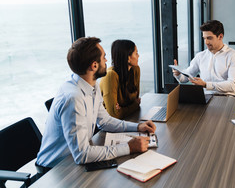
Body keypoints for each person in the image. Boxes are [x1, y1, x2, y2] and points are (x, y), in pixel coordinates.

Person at [36, 37, 156, 173]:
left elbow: (104, 121)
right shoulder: (73, 98)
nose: (106, 61)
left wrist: (138, 126)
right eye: (104, 57)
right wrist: (129, 147)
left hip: (74, 160)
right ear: (94, 65)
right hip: (55, 170)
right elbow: (82, 154)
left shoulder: (93, 86)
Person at [173, 20, 235, 96]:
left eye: (209, 38)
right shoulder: (200, 56)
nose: (206, 42)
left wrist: (206, 85)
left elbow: (232, 85)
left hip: (226, 97)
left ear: (220, 36)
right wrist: (178, 74)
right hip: (205, 96)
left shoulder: (233, 55)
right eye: (204, 38)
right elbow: (184, 79)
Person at [100, 40, 140, 119]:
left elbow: (136, 99)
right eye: (136, 53)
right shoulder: (110, 76)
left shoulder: (135, 70)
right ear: (128, 58)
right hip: (106, 125)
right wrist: (134, 105)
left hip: (127, 119)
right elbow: (113, 115)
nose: (138, 56)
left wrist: (122, 109)